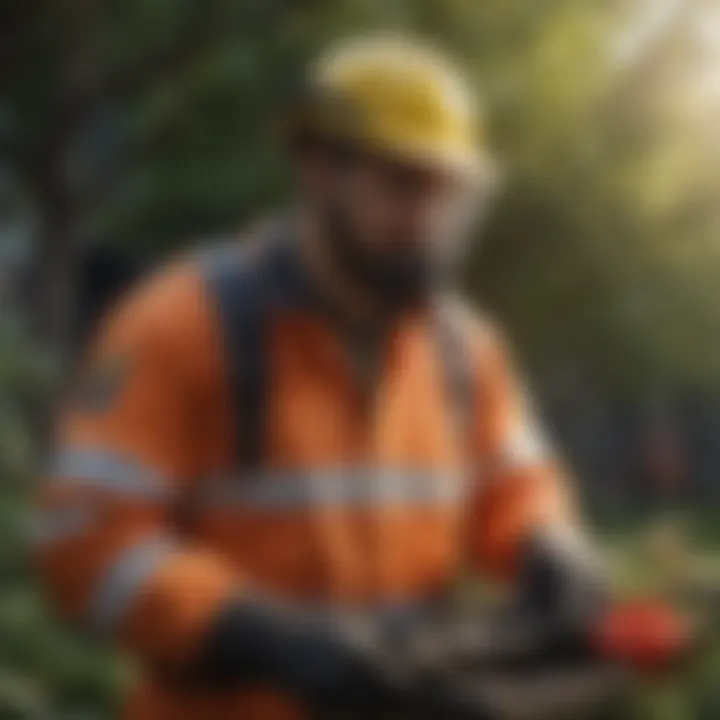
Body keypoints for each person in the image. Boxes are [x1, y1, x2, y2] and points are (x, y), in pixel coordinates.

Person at [33, 35, 690, 720]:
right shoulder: (177, 328)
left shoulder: (465, 350)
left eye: (448, 194)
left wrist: (551, 545)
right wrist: (266, 638)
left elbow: (518, 489)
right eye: (403, 184)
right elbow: (85, 544)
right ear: (318, 170)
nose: (428, 221)